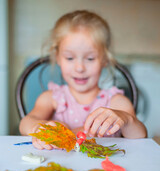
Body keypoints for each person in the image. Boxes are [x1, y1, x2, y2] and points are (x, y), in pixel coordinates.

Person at [19, 10, 147, 150]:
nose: (79, 68)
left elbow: (140, 136)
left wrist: (126, 120)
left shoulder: (116, 102)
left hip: (105, 168)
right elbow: (25, 122)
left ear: (104, 60)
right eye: (69, 58)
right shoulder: (52, 98)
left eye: (90, 59)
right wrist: (39, 128)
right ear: (58, 58)